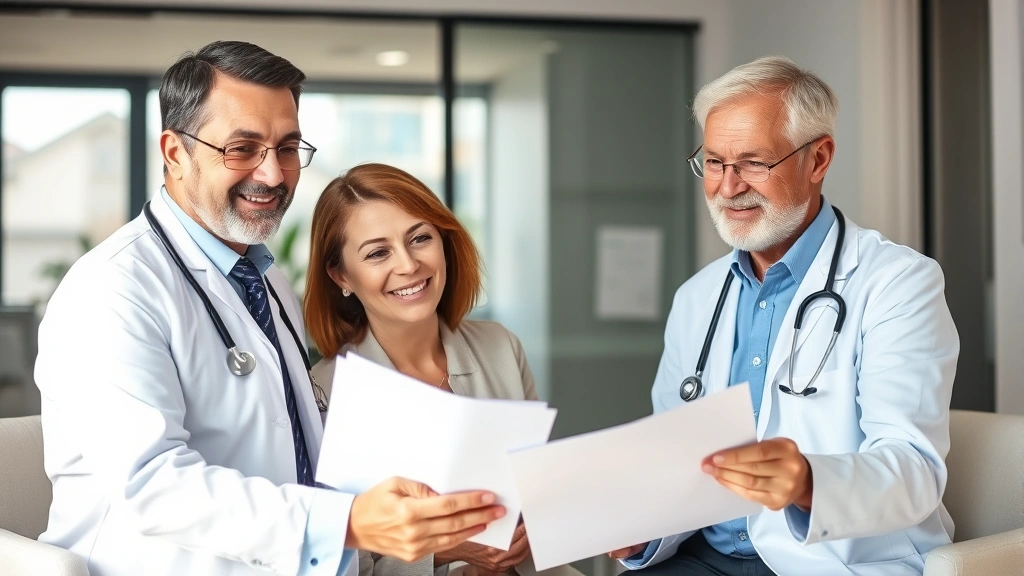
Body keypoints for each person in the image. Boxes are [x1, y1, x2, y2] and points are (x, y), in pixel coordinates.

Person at [34, 41, 505, 576]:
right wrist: (348, 521)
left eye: (287, 147)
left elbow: (289, 445)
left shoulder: (264, 278)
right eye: (242, 148)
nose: (275, 175)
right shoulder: (112, 290)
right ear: (173, 152)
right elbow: (153, 485)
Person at [608, 56, 959, 575]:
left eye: (753, 162)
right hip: (702, 557)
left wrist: (807, 482)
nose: (728, 188)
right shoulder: (697, 298)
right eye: (713, 162)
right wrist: (644, 528)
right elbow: (677, 458)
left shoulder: (898, 283)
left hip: (828, 559)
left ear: (818, 160)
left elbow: (915, 471)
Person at [305, 163, 536, 576]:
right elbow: (339, 561)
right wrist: (445, 551)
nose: (409, 265)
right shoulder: (322, 394)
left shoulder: (500, 347)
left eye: (420, 238)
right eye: (378, 252)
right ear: (341, 275)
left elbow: (539, 491)